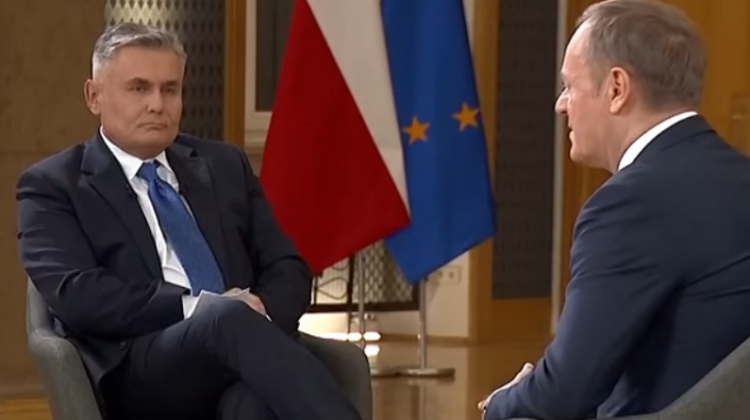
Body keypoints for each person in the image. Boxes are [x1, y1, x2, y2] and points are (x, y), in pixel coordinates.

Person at [16, 23, 363, 420]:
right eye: (139, 89)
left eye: (170, 90)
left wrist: (259, 315)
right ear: (94, 96)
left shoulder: (224, 166)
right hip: (138, 364)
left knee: (249, 404)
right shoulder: (52, 185)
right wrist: (196, 308)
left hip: (241, 352)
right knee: (225, 319)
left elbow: (287, 267)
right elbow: (77, 294)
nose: (157, 105)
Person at [479, 0, 750, 419]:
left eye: (570, 86)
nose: (560, 104)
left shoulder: (630, 204)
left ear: (617, 89)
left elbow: (565, 393)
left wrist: (499, 404)